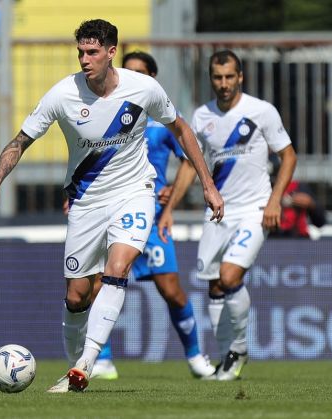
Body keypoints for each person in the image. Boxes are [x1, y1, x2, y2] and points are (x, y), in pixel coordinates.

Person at [0, 19, 224, 393]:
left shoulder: (144, 88)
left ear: (111, 52)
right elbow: (19, 141)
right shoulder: (63, 94)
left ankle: (87, 364)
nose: (84, 59)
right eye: (80, 52)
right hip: (86, 201)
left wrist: (207, 185)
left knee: (118, 266)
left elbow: (182, 129)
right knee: (77, 295)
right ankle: (75, 365)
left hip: (134, 191)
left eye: (92, 52)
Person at [158, 49, 297, 381]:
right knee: (215, 287)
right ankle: (226, 357)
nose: (223, 84)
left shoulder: (261, 111)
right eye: (217, 78)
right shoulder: (202, 116)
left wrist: (275, 201)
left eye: (229, 77)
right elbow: (192, 165)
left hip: (255, 209)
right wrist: (168, 211)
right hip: (218, 212)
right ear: (211, 79)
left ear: (240, 78)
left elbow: (288, 156)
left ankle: (238, 350)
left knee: (231, 276)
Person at [90, 51, 216, 381]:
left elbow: (190, 157)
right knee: (99, 283)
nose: (132, 78)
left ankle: (194, 357)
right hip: (111, 211)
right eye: (127, 71)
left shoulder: (161, 121)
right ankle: (101, 358)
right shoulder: (104, 113)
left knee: (171, 289)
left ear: (152, 79)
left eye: (140, 73)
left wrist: (172, 197)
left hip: (152, 215)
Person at [268, 155, 327, 238]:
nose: (273, 185)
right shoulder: (258, 193)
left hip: (298, 240)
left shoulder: (298, 187)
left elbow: (320, 222)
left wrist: (311, 205)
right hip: (270, 240)